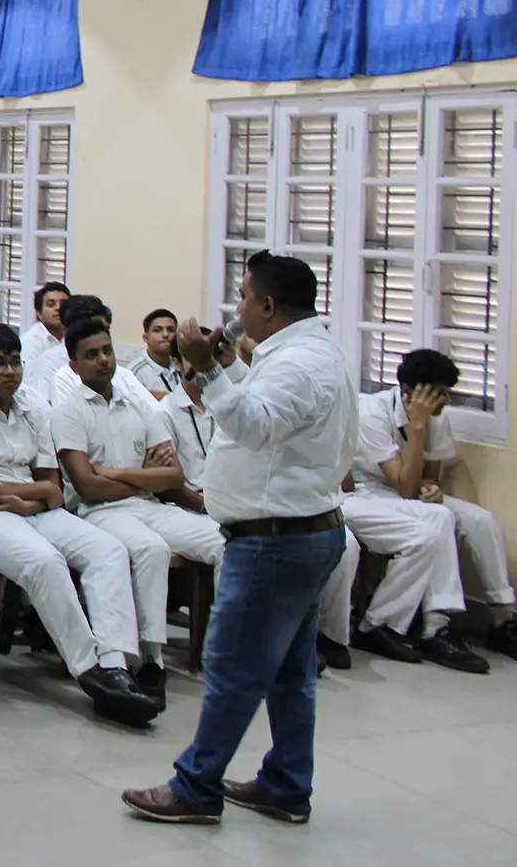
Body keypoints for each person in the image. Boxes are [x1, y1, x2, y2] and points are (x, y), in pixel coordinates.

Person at [123, 252, 357, 827]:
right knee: (288, 672)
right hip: (301, 531)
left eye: (245, 296)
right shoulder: (306, 351)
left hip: (275, 541)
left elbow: (252, 426)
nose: (238, 307)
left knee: (233, 667)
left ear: (268, 306)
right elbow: (265, 416)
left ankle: (195, 787)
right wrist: (226, 368)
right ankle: (285, 785)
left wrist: (205, 368)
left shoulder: (297, 365)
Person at [0, 324, 156, 723]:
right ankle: (89, 669)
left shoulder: (33, 406)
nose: (10, 371)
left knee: (108, 550)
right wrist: (37, 494)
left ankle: (116, 663)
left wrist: (33, 498)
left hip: (30, 507)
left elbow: (53, 485)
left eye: (15, 362)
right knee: (44, 561)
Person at [51, 318, 224, 709]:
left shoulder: (140, 406)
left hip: (149, 505)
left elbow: (174, 476)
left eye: (107, 351)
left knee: (224, 541)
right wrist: (144, 477)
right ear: (74, 365)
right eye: (91, 355)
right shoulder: (68, 413)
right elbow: (87, 487)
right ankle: (151, 660)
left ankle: (226, 647)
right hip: (99, 512)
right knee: (150, 548)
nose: (103, 360)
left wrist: (115, 473)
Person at [340, 350, 509, 671]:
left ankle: (503, 617)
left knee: (481, 520)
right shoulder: (373, 414)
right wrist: (417, 427)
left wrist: (432, 488)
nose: (446, 401)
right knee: (439, 517)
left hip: (404, 490)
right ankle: (436, 625)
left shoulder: (437, 416)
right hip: (368, 490)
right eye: (439, 394)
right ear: (408, 392)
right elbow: (404, 487)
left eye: (447, 393)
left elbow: (427, 479)